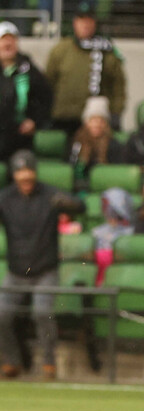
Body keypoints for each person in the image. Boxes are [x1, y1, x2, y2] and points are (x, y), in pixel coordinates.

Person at [0, 150, 84, 379]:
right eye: (20, 177)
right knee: (2, 314)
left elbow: (80, 206)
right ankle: (11, 361)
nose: (25, 181)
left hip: (45, 269)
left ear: (34, 174)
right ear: (15, 177)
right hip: (17, 269)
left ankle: (49, 362)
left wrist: (69, 204)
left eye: (29, 176)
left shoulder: (50, 194)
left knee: (42, 312)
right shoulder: (5, 198)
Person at [45, 4, 126, 138]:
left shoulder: (107, 51)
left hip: (96, 121)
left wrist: (116, 113)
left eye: (89, 20)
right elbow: (49, 82)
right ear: (74, 23)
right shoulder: (61, 49)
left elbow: (118, 85)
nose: (85, 24)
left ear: (95, 23)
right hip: (64, 118)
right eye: (81, 20)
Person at [0, 22, 52, 162]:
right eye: (4, 39)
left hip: (20, 137)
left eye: (11, 39)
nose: (8, 43)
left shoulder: (28, 69)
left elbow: (45, 98)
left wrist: (34, 121)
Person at [68, 96, 124, 192]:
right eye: (93, 120)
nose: (97, 124)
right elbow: (70, 166)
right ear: (86, 122)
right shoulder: (76, 143)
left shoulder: (114, 144)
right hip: (78, 188)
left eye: (101, 121)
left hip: (104, 187)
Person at [91, 187, 135, 285]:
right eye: (105, 205)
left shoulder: (133, 233)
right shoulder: (96, 232)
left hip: (124, 277)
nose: (109, 210)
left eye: (112, 206)